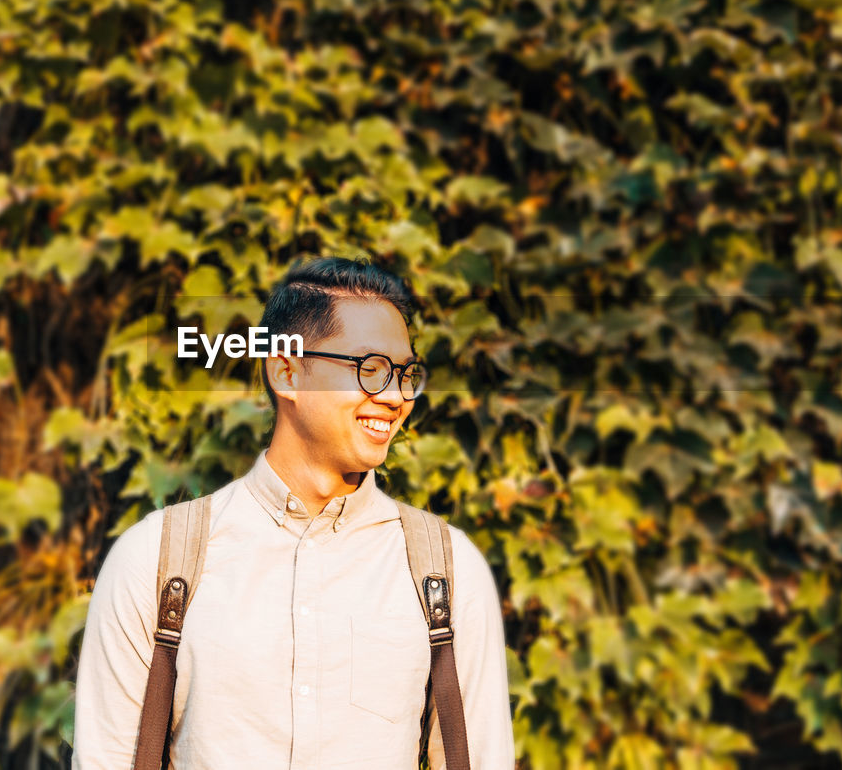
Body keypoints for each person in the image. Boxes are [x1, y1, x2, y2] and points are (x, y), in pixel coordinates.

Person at [72, 257, 514, 769]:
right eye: (370, 369)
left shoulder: (446, 571)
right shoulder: (156, 560)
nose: (395, 397)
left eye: (405, 373)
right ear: (286, 371)